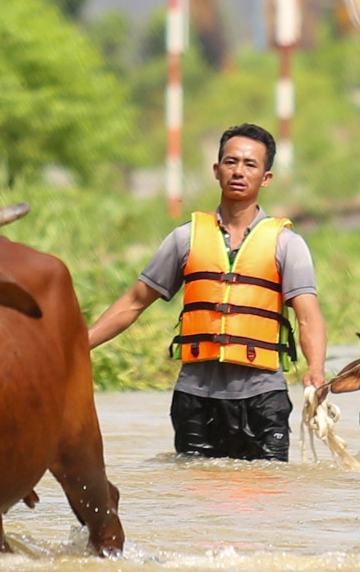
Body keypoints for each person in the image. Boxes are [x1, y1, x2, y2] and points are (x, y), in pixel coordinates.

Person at [88, 123, 327, 461]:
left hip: (263, 398)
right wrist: (78, 346)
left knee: (267, 499)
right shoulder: (185, 238)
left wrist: (315, 369)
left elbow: (308, 316)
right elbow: (134, 301)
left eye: (250, 164)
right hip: (196, 399)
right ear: (216, 170)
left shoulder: (287, 244)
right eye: (231, 162)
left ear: (266, 177)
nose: (239, 172)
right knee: (195, 499)